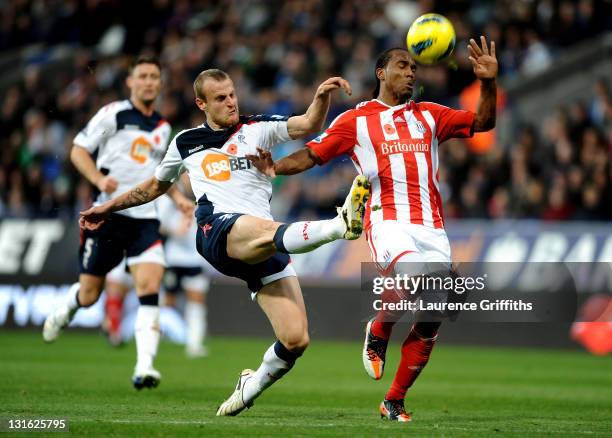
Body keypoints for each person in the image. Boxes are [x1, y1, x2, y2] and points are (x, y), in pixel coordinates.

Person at [79, 69, 370, 416]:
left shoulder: (258, 128)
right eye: (220, 98)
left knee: (296, 339)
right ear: (202, 103)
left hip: (262, 239)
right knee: (264, 228)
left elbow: (307, 124)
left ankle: (250, 385)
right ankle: (338, 226)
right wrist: (108, 207)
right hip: (217, 231)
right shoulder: (185, 142)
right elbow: (153, 187)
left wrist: (321, 97)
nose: (230, 102)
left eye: (232, 94)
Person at [247, 37, 498, 422]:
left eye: (414, 68)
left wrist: (487, 83)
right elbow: (314, 154)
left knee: (437, 309)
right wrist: (275, 168)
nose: (410, 72)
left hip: (431, 225)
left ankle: (393, 400)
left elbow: (483, 122)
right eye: (402, 65)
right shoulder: (355, 120)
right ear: (381, 73)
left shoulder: (430, 115)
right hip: (386, 219)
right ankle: (379, 328)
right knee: (417, 281)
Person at [43, 56, 194, 390]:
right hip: (108, 216)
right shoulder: (112, 114)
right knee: (89, 295)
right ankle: (67, 308)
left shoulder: (163, 127)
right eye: (143, 76)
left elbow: (157, 178)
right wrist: (98, 179)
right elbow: (78, 150)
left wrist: (179, 198)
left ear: (161, 82)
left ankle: (144, 367)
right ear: (130, 82)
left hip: (145, 220)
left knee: (149, 286)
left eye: (155, 76)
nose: (149, 82)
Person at [156, 181, 211, 358]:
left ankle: (194, 344)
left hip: (196, 257)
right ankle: (158, 338)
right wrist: (174, 230)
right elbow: (158, 222)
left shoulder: (206, 189)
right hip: (174, 258)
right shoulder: (172, 196)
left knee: (196, 300)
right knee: (168, 301)